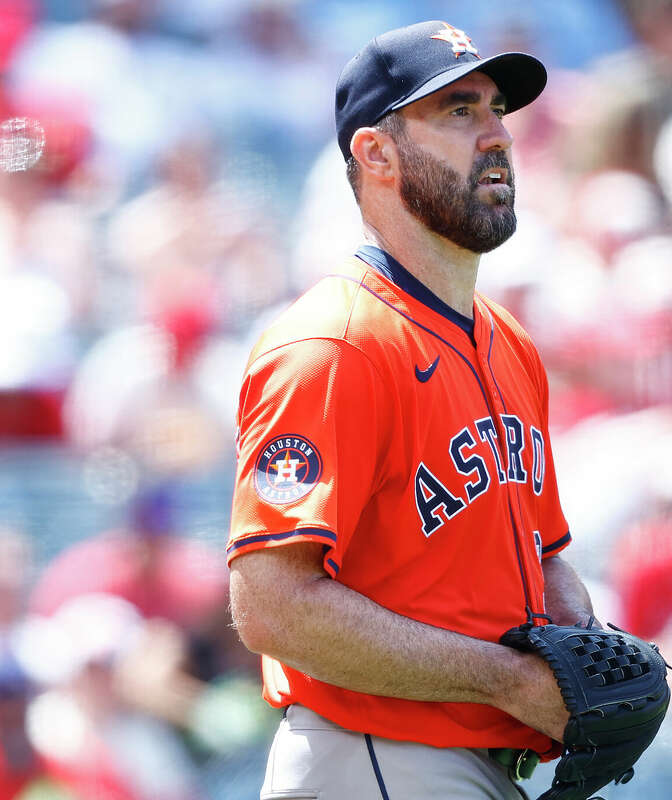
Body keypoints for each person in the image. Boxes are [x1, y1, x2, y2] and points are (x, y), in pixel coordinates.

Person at [226, 20, 599, 799]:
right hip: (374, 754)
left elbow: (542, 558)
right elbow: (272, 606)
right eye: (458, 112)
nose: (496, 134)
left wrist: (587, 644)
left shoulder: (510, 344)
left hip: (469, 765)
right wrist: (503, 679)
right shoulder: (334, 345)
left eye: (496, 109)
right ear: (378, 155)